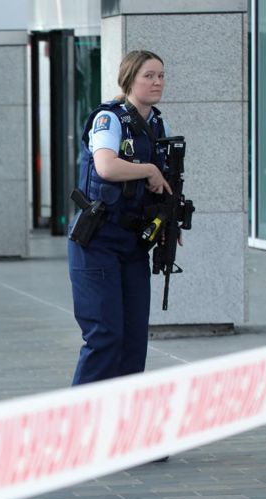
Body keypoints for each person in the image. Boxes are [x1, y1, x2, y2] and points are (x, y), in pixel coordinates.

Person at [69, 50, 173, 386]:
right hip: (97, 241)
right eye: (148, 76)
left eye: (160, 75)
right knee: (105, 339)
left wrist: (169, 221)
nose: (157, 82)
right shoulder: (109, 120)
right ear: (129, 80)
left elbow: (167, 183)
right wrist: (149, 170)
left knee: (132, 344)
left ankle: (123, 428)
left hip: (132, 245)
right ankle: (79, 427)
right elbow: (106, 166)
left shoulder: (158, 123)